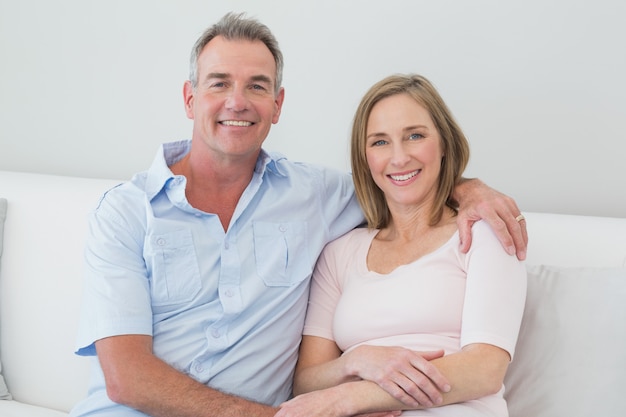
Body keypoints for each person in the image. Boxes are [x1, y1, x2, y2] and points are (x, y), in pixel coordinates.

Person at [69, 13, 528, 417]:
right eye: (219, 83)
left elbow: (401, 178)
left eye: (257, 86)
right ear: (190, 99)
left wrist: (469, 190)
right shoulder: (125, 213)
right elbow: (126, 378)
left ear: (278, 104)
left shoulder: (314, 195)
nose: (238, 101)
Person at [275, 74, 527, 417]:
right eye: (379, 142)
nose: (399, 157)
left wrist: (357, 397)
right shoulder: (340, 252)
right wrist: (358, 361)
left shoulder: (482, 230)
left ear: (444, 145)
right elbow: (307, 382)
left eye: (415, 136)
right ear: (364, 158)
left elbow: (485, 369)